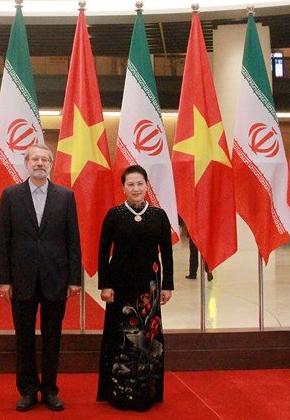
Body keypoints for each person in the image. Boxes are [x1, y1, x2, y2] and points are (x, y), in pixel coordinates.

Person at [0, 143, 82, 412]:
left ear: (51, 164)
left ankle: (50, 390)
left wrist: (75, 279)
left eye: (45, 159)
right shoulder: (10, 195)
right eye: (35, 159)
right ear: (26, 163)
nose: (40, 163)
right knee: (24, 339)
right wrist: (4, 279)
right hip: (21, 279)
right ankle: (28, 390)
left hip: (55, 278)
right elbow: (3, 241)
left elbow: (73, 241)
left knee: (52, 338)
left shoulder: (65, 196)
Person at [97, 165, 174, 412]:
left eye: (140, 183)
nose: (136, 188)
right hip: (120, 287)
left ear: (146, 185)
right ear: (123, 188)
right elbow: (103, 252)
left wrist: (167, 285)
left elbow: (167, 253)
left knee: (147, 336)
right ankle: (119, 392)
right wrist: (105, 284)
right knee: (121, 335)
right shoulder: (114, 215)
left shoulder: (159, 215)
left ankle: (145, 392)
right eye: (130, 184)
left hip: (149, 288)